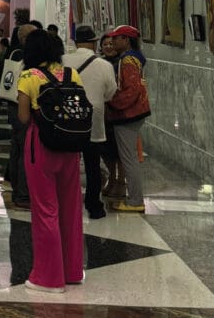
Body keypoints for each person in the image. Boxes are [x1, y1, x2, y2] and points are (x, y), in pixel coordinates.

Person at [16, 29, 86, 292]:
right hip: (70, 146)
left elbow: (23, 117)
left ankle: (48, 277)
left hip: (41, 147)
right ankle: (71, 270)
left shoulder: (29, 77)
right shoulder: (72, 74)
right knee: (70, 208)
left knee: (45, 210)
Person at [62, 26, 117, 220]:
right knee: (93, 164)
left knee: (69, 163)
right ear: (94, 43)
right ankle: (94, 205)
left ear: (75, 43)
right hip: (93, 117)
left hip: (68, 117)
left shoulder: (63, 61)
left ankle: (68, 203)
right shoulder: (104, 65)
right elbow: (111, 93)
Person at [106, 25, 152, 213]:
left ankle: (135, 201)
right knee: (129, 157)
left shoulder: (128, 61)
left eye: (116, 38)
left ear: (126, 40)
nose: (112, 42)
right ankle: (134, 198)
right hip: (133, 112)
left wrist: (113, 103)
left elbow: (131, 91)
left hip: (128, 114)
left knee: (129, 159)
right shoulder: (131, 58)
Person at [6, 22, 38, 210]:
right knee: (24, 149)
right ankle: (23, 194)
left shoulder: (13, 52)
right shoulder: (22, 55)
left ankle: (18, 190)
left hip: (15, 106)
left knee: (18, 148)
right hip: (20, 106)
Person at [99, 33, 125, 199]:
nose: (108, 47)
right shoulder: (99, 63)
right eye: (105, 44)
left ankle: (120, 182)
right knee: (106, 148)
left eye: (111, 43)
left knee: (120, 149)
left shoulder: (123, 63)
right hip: (104, 111)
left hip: (120, 111)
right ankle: (112, 177)